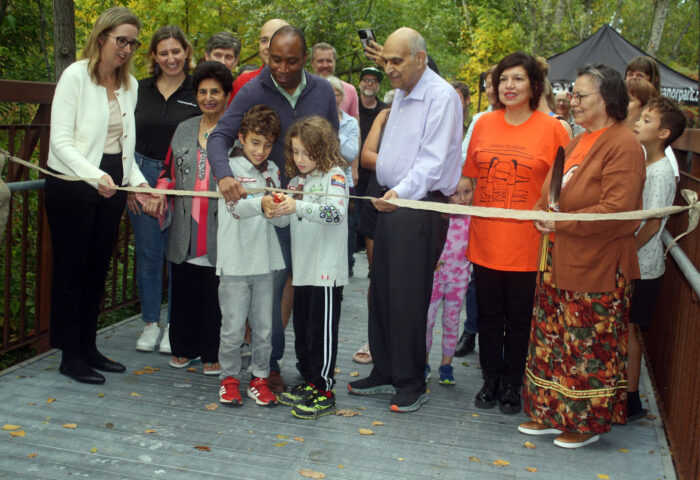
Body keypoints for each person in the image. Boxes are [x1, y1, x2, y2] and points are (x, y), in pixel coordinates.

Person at [207, 25, 339, 393]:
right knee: (276, 287)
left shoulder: (323, 90)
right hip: (276, 209)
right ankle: (270, 366)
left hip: (312, 206)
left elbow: (333, 143)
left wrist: (338, 184)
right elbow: (219, 136)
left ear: (305, 58)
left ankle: (314, 370)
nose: (281, 67)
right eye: (275, 59)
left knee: (312, 287)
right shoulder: (252, 88)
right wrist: (223, 176)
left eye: (291, 61)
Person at [520, 64, 645, 449]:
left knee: (587, 347)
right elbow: (551, 195)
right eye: (572, 94)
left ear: (606, 99)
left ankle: (586, 421)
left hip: (598, 266)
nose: (572, 101)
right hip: (561, 260)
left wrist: (561, 223)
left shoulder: (623, 144)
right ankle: (552, 412)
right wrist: (546, 215)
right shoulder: (578, 141)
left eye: (580, 95)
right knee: (555, 342)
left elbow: (618, 211)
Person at [348, 27, 463, 413]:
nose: (388, 69)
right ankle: (384, 370)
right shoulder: (401, 92)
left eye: (396, 61)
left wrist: (400, 193)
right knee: (382, 289)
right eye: (386, 60)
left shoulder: (442, 96)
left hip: (418, 203)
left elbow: (431, 162)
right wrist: (388, 191)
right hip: (390, 199)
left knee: (409, 296)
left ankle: (412, 381)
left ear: (420, 58)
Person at [45, 6, 148, 384]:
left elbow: (124, 145)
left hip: (111, 184)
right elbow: (60, 144)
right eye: (121, 40)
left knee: (97, 268)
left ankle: (88, 347)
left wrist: (137, 181)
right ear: (101, 36)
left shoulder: (130, 85)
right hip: (72, 183)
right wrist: (96, 176)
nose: (126, 49)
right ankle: (69, 355)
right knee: (70, 270)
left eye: (133, 43)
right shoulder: (75, 76)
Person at [462, 52, 569, 415]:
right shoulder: (483, 124)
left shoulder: (554, 128)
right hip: (486, 241)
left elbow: (563, 186)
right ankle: (490, 380)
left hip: (528, 245)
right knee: (488, 317)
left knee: (520, 319)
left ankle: (513, 384)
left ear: (534, 85)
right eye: (504, 79)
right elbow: (469, 177)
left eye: (518, 79)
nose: (509, 86)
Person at [142, 61, 232, 375]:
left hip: (222, 224)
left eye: (215, 92)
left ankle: (213, 352)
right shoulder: (184, 128)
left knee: (215, 290)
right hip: (185, 223)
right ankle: (184, 347)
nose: (209, 98)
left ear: (226, 94)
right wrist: (159, 192)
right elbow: (167, 171)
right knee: (185, 286)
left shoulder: (236, 130)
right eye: (203, 92)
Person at [272, 116, 348, 419]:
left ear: (321, 148)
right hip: (302, 270)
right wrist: (275, 206)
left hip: (326, 271)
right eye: (295, 152)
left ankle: (325, 389)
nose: (300, 159)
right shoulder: (295, 182)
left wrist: (298, 205)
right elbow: (287, 218)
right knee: (303, 331)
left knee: (322, 332)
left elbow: (336, 213)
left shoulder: (335, 175)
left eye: (306, 152)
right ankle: (309, 379)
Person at [132, 25, 200, 354]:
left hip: (184, 178)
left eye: (176, 51)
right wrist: (133, 185)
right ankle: (150, 323)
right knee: (148, 254)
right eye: (163, 52)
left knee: (179, 255)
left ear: (186, 52)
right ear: (154, 57)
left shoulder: (197, 90)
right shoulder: (138, 89)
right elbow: (123, 137)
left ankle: (175, 324)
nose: (170, 58)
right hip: (142, 173)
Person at [215, 105, 286, 407]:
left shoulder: (273, 172)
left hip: (266, 262)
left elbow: (281, 220)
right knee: (232, 328)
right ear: (241, 138)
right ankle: (229, 379)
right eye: (255, 142)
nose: (261, 150)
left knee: (264, 327)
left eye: (267, 144)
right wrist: (263, 203)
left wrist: (280, 206)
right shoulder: (228, 169)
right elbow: (237, 208)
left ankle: (259, 377)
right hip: (234, 262)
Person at [627, 98, 686, 420]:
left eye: (647, 120)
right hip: (635, 262)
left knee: (630, 330)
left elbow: (652, 224)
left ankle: (631, 398)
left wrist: (626, 250)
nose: (638, 123)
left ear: (663, 133)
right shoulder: (645, 162)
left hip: (643, 267)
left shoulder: (662, 172)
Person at [425, 176, 473, 385]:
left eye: (467, 192)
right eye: (456, 193)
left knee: (451, 322)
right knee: (426, 320)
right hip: (435, 277)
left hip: (459, 279)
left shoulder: (475, 217)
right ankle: (423, 364)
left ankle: (446, 365)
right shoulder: (440, 215)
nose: (462, 198)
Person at [327, 75, 360, 275]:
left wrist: (333, 128)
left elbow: (350, 154)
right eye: (328, 92)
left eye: (337, 93)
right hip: (317, 182)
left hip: (343, 183)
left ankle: (343, 270)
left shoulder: (350, 123)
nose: (333, 97)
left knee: (344, 229)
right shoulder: (313, 118)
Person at [230, 19, 289, 100]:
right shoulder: (242, 82)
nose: (268, 46)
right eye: (264, 41)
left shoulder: (303, 83)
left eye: (275, 40)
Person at [310, 42, 359, 118]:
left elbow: (355, 126)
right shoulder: (303, 89)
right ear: (312, 63)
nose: (325, 65)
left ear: (335, 63)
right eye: (320, 61)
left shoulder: (350, 90)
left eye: (329, 61)